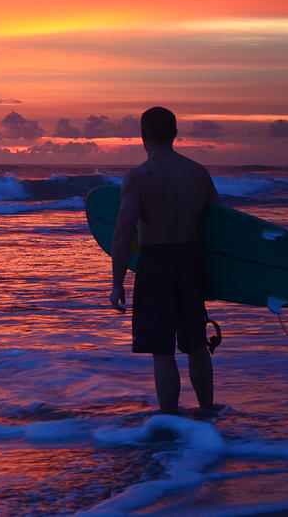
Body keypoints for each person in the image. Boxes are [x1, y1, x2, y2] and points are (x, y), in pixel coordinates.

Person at [109, 106, 218, 415]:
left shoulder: (139, 177)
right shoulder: (198, 173)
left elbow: (122, 233)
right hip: (191, 260)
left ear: (143, 135)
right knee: (196, 344)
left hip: (155, 263)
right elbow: (218, 230)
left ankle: (170, 420)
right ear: (174, 134)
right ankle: (207, 413)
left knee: (161, 349)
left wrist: (117, 284)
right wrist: (213, 278)